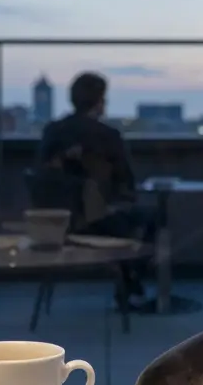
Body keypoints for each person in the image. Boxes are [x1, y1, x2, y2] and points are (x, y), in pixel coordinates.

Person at [37, 72, 154, 296]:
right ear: (100, 101)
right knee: (153, 218)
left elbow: (41, 172)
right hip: (97, 221)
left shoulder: (52, 131)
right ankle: (132, 275)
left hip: (57, 223)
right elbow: (126, 182)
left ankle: (128, 276)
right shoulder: (107, 136)